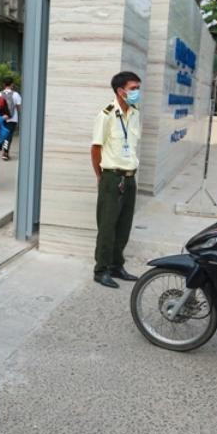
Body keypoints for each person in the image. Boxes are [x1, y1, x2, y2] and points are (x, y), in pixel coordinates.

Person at [90, 71, 142, 288]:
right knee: (107, 226)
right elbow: (95, 148)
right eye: (133, 88)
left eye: (138, 88)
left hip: (130, 178)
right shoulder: (106, 114)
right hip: (112, 177)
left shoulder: (135, 113)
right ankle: (101, 269)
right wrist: (102, 177)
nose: (137, 92)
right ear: (120, 91)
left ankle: (116, 265)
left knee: (124, 225)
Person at [0, 78, 21, 161]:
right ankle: (5, 153)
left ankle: (4, 150)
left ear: (4, 85)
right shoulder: (15, 94)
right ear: (12, 84)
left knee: (3, 135)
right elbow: (19, 107)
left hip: (2, 118)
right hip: (12, 118)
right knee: (8, 136)